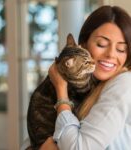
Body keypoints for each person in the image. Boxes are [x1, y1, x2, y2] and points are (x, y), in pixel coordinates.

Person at [40, 5, 131, 150]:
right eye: (102, 44)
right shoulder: (89, 84)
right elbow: (36, 136)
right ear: (83, 44)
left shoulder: (124, 83)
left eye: (121, 49)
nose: (111, 55)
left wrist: (61, 91)